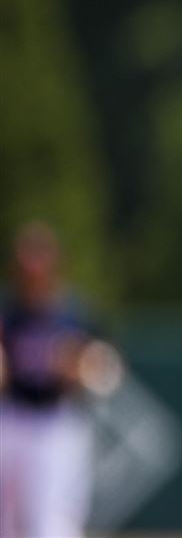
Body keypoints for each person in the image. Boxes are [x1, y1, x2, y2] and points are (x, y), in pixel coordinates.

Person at [0, 221, 123, 538]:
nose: (33, 276)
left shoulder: (75, 313)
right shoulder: (9, 313)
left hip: (57, 422)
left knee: (50, 522)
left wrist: (80, 371)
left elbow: (108, 372)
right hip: (12, 417)